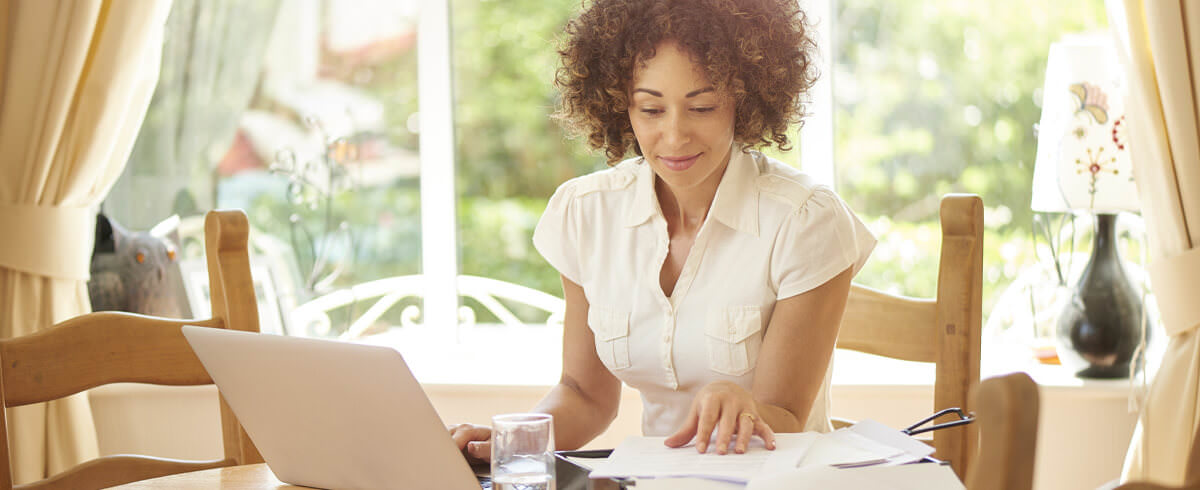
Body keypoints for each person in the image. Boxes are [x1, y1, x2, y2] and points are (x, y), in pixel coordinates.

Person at [450, 0, 875, 460]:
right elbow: (585, 396)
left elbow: (787, 417)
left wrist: (747, 407)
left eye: (703, 107)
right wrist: (512, 443)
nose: (674, 137)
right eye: (651, 109)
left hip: (780, 477)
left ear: (745, 100)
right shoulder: (586, 214)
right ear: (619, 105)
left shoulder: (806, 220)